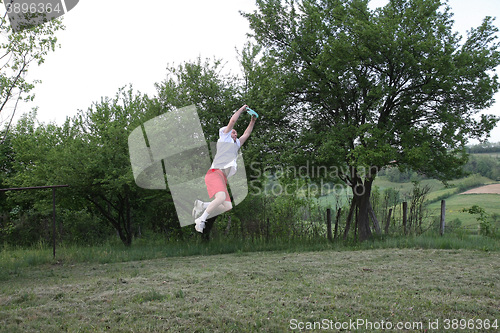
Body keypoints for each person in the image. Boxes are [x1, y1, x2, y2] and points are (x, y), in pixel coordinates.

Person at [192, 105, 257, 232]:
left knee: (227, 206)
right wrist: (241, 109)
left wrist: (252, 121)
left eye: (235, 132)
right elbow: (232, 121)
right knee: (220, 198)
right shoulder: (224, 138)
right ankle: (201, 219)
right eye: (233, 131)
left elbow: (246, 134)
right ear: (225, 132)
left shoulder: (235, 144)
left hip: (222, 178)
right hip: (214, 173)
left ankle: (202, 205)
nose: (235, 132)